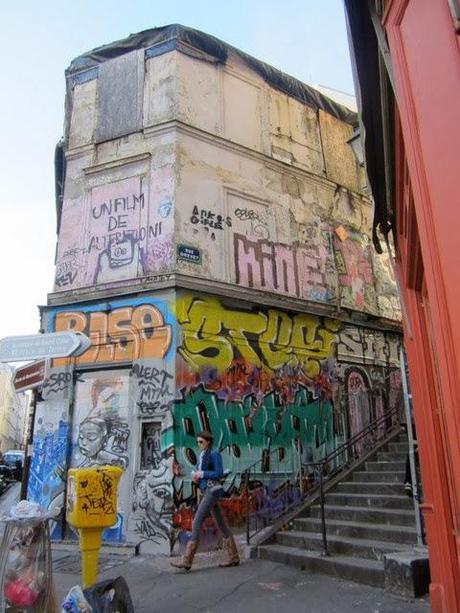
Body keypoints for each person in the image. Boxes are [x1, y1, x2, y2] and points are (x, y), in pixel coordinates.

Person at [170, 431, 240, 571]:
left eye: (201, 442)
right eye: (197, 442)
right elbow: (204, 473)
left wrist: (202, 474)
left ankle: (187, 560)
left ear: (208, 442)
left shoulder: (214, 453)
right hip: (208, 491)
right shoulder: (204, 455)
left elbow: (219, 473)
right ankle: (234, 556)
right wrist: (197, 476)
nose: (199, 444)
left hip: (212, 491)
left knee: (196, 521)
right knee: (221, 524)